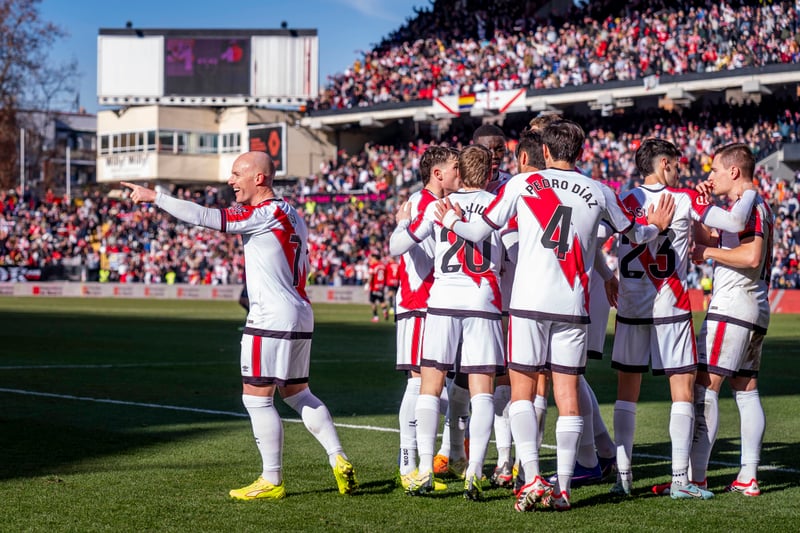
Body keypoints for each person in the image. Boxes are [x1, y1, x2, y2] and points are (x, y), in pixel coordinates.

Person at [436, 120, 676, 512]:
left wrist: (448, 219)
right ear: (580, 152)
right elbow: (635, 234)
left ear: (544, 151)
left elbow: (478, 231)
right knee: (567, 397)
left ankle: (532, 477)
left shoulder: (521, 184)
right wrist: (657, 226)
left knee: (522, 392)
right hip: (572, 306)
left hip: (528, 304)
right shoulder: (599, 190)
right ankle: (562, 490)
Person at [121, 152, 357, 500]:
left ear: (259, 178)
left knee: (256, 398)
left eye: (236, 174)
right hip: (299, 311)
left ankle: (271, 479)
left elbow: (204, 216)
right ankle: (338, 457)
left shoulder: (263, 213)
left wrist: (155, 197)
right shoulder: (291, 212)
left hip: (270, 317)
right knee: (297, 393)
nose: (230, 181)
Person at [609, 139, 757, 500]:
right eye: (675, 165)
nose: (679, 171)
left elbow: (595, 240)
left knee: (626, 394)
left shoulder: (623, 200)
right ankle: (679, 479)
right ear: (664, 164)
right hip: (670, 306)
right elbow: (731, 222)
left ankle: (623, 476)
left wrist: (605, 276)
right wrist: (745, 191)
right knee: (682, 391)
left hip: (630, 307)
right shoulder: (684, 198)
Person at [393, 145, 505, 500]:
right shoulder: (499, 204)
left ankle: (425, 468)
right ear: (489, 173)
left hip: (441, 300)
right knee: (482, 390)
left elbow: (397, 245)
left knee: (430, 385)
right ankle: (474, 470)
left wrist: (403, 222)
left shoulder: (439, 206)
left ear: (461, 172)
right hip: (483, 300)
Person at [688, 143, 772, 497]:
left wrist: (707, 251)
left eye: (716, 170)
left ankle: (695, 478)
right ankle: (748, 475)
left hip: (734, 306)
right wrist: (700, 211)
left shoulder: (749, 205)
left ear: (734, 171)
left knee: (705, 386)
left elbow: (751, 255)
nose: (712, 176)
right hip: (753, 306)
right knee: (746, 389)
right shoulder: (745, 206)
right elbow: (708, 238)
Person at [390, 145, 460, 491]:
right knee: (419, 384)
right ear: (437, 173)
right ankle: (408, 465)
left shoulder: (437, 203)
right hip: (420, 302)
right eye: (455, 168)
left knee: (441, 385)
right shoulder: (424, 204)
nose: (460, 173)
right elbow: (397, 246)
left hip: (434, 303)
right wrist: (404, 225)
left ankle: (445, 455)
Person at [365, 253, 389, 322]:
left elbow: (371, 276)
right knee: (382, 301)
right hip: (381, 287)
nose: (371, 260)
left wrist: (367, 284)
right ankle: (385, 311)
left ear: (375, 259)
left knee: (373, 302)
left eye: (372, 258)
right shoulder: (383, 266)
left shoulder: (373, 266)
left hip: (374, 287)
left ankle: (376, 317)